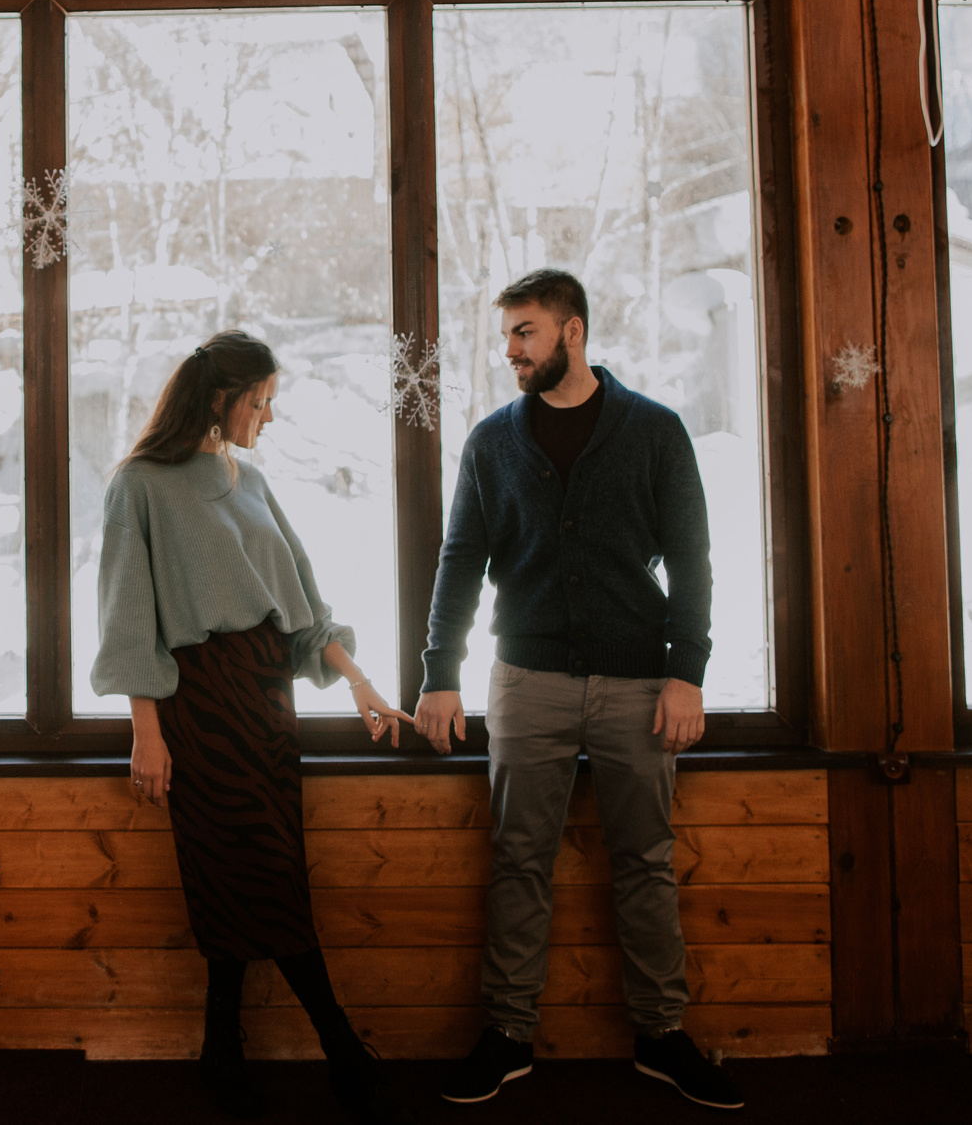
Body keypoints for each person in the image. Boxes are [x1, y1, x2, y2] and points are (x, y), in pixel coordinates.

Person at [414, 270, 742, 1111]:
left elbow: (694, 559)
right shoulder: (491, 441)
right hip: (526, 680)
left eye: (525, 332)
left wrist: (687, 672)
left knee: (645, 862)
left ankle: (662, 1036)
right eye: (508, 335)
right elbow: (459, 561)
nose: (511, 350)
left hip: (641, 682)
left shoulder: (655, 431)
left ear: (574, 331)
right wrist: (439, 673)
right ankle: (508, 1034)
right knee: (519, 859)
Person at [93, 330, 417, 1125]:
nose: (269, 417)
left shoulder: (251, 479)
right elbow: (129, 617)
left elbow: (302, 606)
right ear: (220, 398)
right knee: (260, 870)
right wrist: (147, 729)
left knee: (250, 874)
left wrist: (363, 684)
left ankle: (220, 1050)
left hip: (270, 704)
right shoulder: (139, 484)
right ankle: (342, 1047)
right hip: (200, 705)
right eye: (261, 401)